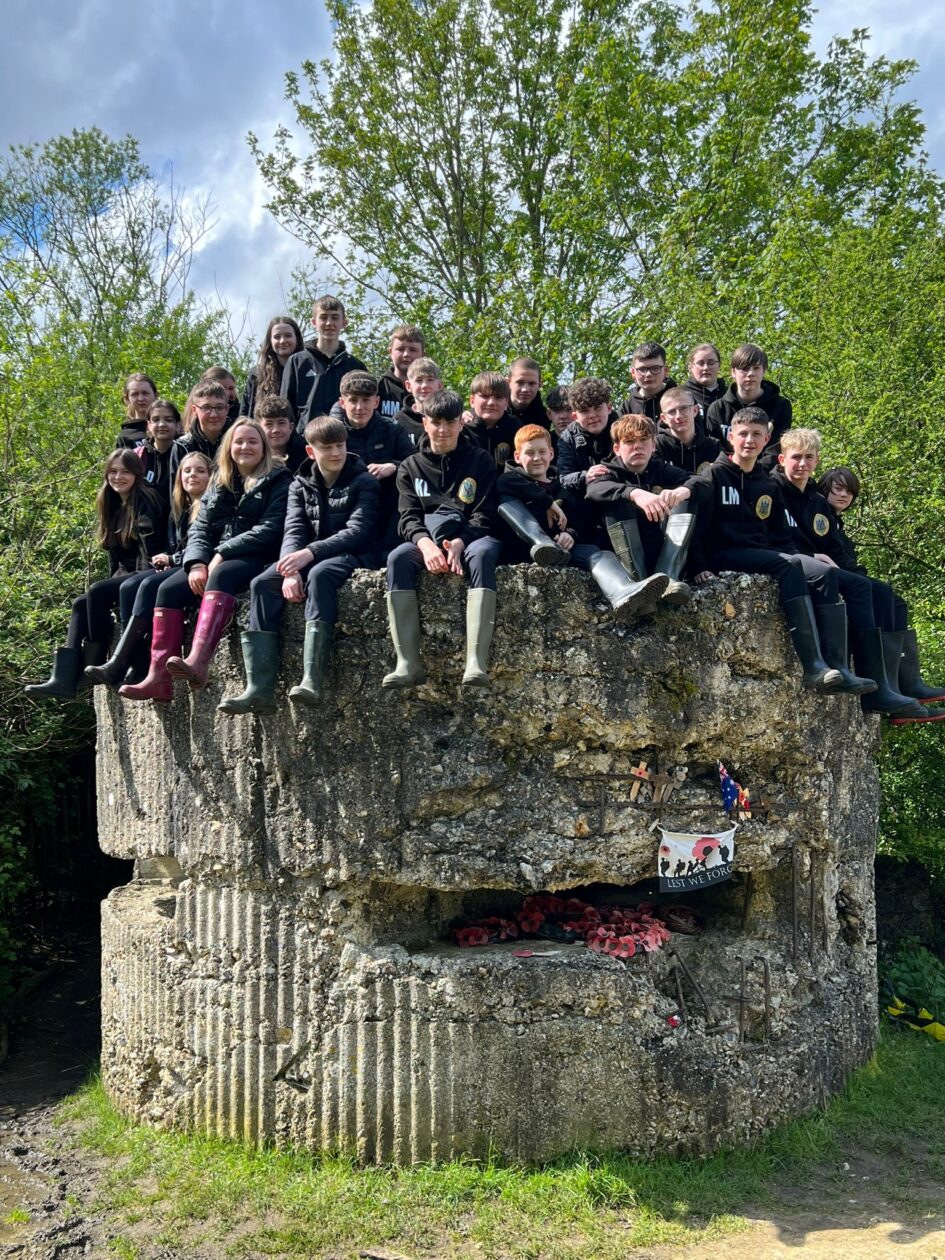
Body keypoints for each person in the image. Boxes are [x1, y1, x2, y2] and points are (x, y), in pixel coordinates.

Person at [679, 407, 853, 694]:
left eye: (756, 435)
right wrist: (698, 566)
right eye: (743, 434)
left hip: (759, 553)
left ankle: (837, 666)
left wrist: (805, 557)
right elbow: (696, 527)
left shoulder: (767, 483)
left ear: (766, 439)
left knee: (819, 572)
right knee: (788, 566)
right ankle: (813, 667)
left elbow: (780, 536)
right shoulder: (715, 475)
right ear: (731, 436)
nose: (749, 440)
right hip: (723, 554)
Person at [119, 421, 291, 702]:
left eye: (252, 442)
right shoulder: (221, 480)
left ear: (263, 447)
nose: (245, 447)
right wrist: (196, 562)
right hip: (213, 557)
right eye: (238, 442)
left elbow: (270, 529)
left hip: (258, 555)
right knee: (167, 590)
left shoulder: (279, 479)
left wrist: (222, 552)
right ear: (229, 447)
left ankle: (198, 662)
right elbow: (199, 528)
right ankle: (158, 678)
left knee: (221, 576)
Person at [219, 416, 380, 715]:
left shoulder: (364, 481)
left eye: (340, 445)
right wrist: (290, 569)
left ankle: (311, 680)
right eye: (327, 447)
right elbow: (293, 529)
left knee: (320, 575)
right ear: (310, 451)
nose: (335, 453)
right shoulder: (299, 483)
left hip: (357, 553)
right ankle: (259, 688)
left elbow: (358, 532)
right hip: (311, 553)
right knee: (262, 583)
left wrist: (309, 554)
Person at [772, 430, 933, 716]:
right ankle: (867, 683)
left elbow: (835, 547)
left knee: (881, 591)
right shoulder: (771, 488)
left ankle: (893, 685)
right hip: (790, 563)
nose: (802, 464)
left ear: (817, 461)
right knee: (859, 588)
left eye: (809, 457)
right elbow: (769, 536)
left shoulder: (815, 500)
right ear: (782, 458)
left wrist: (856, 572)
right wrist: (809, 556)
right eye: (796, 457)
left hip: (819, 566)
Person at [25, 450, 168, 700]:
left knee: (98, 591)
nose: (118, 477)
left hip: (149, 571)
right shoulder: (112, 503)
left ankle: (99, 662)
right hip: (127, 572)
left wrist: (128, 583)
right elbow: (115, 556)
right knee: (81, 603)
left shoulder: (145, 499)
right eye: (113, 471)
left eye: (125, 471)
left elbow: (150, 549)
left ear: (137, 474)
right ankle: (63, 679)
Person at [384, 389, 502, 688]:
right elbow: (407, 518)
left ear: (461, 423)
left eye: (450, 422)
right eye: (436, 422)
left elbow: (485, 514)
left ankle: (476, 662)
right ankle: (408, 663)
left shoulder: (480, 460)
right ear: (425, 423)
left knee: (483, 554)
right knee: (397, 558)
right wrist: (425, 545)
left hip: (473, 537)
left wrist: (461, 541)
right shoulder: (409, 467)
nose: (443, 429)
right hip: (427, 539)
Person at [497, 424, 669, 619]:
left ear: (551, 454)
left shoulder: (562, 485)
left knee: (598, 553)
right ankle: (541, 543)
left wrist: (570, 533)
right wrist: (548, 503)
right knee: (507, 503)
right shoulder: (510, 479)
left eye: (542, 452)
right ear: (518, 457)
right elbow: (504, 483)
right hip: (525, 548)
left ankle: (623, 592)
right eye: (530, 453)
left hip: (560, 550)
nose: (537, 458)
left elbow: (580, 518)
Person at [816, 462, 945, 716]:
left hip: (849, 576)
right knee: (882, 594)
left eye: (849, 492)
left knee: (896, 602)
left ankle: (905, 684)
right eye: (838, 489)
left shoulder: (837, 522)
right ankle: (890, 690)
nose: (844, 495)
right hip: (832, 578)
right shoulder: (820, 518)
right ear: (824, 489)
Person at [86, 452, 213, 688]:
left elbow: (205, 545)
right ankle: (123, 663)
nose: (192, 475)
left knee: (136, 585)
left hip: (196, 567)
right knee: (114, 590)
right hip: (176, 564)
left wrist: (172, 557)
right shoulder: (181, 509)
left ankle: (128, 663)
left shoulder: (212, 505)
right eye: (187, 471)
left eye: (200, 471)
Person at [585, 415, 696, 605]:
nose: (637, 446)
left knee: (686, 495)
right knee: (617, 501)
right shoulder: (607, 471)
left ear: (654, 445)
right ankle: (640, 587)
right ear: (617, 449)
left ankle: (668, 578)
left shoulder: (659, 468)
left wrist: (682, 491)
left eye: (644, 440)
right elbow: (594, 490)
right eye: (629, 441)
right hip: (620, 561)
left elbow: (700, 482)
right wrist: (634, 493)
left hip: (659, 552)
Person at [338, 370, 413, 547]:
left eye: (366, 400)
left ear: (376, 401)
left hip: (389, 505)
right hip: (348, 505)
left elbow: (414, 463)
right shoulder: (334, 433)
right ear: (342, 403)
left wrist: (393, 466)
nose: (359, 407)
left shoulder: (393, 428)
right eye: (353, 400)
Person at [281, 295, 366, 429]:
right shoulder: (297, 361)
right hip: (304, 442)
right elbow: (285, 408)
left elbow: (364, 408)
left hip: (344, 443)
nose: (329, 323)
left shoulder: (355, 366)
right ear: (314, 322)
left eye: (334, 317)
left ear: (344, 323)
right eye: (323, 317)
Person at [705, 344, 792, 466]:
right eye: (744, 368)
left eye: (756, 368)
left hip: (766, 476)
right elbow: (715, 451)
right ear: (733, 372)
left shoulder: (781, 406)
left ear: (764, 371)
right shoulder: (717, 409)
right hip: (727, 473)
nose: (750, 374)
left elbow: (776, 451)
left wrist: (754, 474)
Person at [556, 377, 615, 492]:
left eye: (597, 408)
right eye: (584, 411)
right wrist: (585, 477)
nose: (592, 415)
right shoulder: (567, 438)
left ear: (608, 408)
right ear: (575, 417)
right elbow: (562, 478)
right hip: (584, 499)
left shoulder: (624, 430)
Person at [241, 316, 305, 418]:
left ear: (297, 339)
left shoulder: (308, 371)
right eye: (277, 337)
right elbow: (245, 414)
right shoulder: (257, 374)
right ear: (270, 341)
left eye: (288, 335)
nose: (282, 341)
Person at [655, 387, 722, 474]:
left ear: (695, 410)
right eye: (671, 411)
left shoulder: (713, 447)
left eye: (683, 408)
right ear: (664, 418)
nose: (678, 416)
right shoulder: (657, 447)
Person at [170, 380, 230, 476]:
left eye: (219, 407)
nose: (213, 414)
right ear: (194, 410)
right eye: (206, 407)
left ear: (227, 409)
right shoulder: (183, 446)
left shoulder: (237, 442)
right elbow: (177, 488)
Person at [465, 371, 518, 469]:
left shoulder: (515, 428)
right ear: (472, 401)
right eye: (485, 396)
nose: (491, 403)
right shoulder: (461, 429)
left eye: (498, 397)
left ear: (506, 403)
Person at [133, 398, 182, 506]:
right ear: (149, 425)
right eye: (156, 420)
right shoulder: (138, 456)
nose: (161, 424)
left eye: (168, 420)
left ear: (177, 425)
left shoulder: (185, 454)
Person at [393, 357, 443, 447]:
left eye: (430, 380)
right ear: (408, 386)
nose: (424, 385)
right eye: (419, 380)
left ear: (439, 385)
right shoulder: (399, 421)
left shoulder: (450, 416)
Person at [620, 342, 675, 419]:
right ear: (633, 373)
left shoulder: (682, 399)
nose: (648, 374)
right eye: (642, 369)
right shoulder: (626, 409)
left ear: (665, 370)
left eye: (655, 368)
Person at [254, 394, 308, 473]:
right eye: (269, 424)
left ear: (291, 427)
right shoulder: (253, 453)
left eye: (281, 423)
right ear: (259, 429)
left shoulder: (305, 457)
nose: (276, 430)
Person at [115, 373, 158, 449]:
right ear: (127, 399)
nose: (141, 398)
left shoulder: (168, 428)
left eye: (145, 393)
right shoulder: (126, 436)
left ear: (155, 395)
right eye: (135, 394)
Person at [683, 344, 726, 419]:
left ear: (719, 365)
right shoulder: (681, 394)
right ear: (691, 367)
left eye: (711, 363)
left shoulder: (729, 396)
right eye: (700, 363)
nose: (706, 368)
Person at [507, 356, 548, 428]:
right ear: (508, 382)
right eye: (520, 382)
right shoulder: (494, 411)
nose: (525, 389)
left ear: (540, 384)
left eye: (531, 383)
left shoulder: (545, 417)